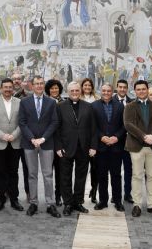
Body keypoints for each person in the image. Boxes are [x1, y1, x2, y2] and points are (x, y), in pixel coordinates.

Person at [123, 80, 152, 217]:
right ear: (134, 91)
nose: (141, 91)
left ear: (147, 90)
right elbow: (128, 124)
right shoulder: (129, 106)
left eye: (143, 89)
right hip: (136, 146)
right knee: (136, 176)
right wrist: (143, 136)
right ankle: (137, 204)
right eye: (138, 89)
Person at [19, 76, 60, 218]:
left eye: (41, 83)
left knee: (48, 174)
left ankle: (50, 204)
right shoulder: (24, 102)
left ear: (44, 86)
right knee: (32, 174)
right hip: (29, 143)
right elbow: (22, 123)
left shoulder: (51, 102)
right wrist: (32, 138)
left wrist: (43, 138)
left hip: (46, 143)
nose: (39, 86)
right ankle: (33, 203)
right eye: (36, 84)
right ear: (32, 86)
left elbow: (54, 122)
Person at [55, 81, 98, 216]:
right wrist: (58, 146)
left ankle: (78, 202)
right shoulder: (60, 106)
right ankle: (68, 203)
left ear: (80, 91)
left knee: (81, 176)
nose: (75, 93)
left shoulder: (88, 107)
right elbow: (56, 128)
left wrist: (93, 146)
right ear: (68, 92)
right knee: (65, 176)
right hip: (66, 148)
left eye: (77, 90)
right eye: (72, 91)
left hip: (83, 147)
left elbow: (93, 128)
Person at [0, 78, 24, 212]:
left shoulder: (20, 102)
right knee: (1, 172)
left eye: (10, 87)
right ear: (1, 88)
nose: (8, 89)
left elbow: (22, 122)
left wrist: (14, 134)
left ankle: (14, 199)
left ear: (13, 89)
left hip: (15, 142)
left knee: (14, 172)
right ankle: (1, 199)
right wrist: (2, 135)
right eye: (5, 87)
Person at [91, 83, 125, 212]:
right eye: (104, 91)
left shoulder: (120, 106)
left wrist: (116, 137)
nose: (106, 93)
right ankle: (103, 201)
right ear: (100, 91)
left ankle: (117, 201)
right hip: (101, 147)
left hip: (116, 146)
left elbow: (124, 125)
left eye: (108, 91)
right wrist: (102, 137)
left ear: (112, 92)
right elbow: (92, 126)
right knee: (102, 175)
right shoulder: (93, 106)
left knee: (116, 175)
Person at [113, 79, 134, 204]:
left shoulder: (132, 102)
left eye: (124, 87)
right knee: (115, 171)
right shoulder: (110, 100)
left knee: (129, 170)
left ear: (127, 88)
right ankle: (116, 195)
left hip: (129, 142)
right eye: (120, 87)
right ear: (117, 88)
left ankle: (127, 194)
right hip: (115, 141)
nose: (122, 89)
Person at [45, 79, 65, 206]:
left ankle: (58, 195)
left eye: (56, 88)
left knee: (59, 171)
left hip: (60, 142)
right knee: (47, 172)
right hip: (47, 141)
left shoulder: (64, 103)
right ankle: (49, 196)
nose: (54, 90)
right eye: (52, 88)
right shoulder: (44, 102)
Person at [12, 72, 30, 201]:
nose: (16, 81)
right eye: (14, 79)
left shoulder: (27, 96)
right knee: (10, 168)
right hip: (9, 138)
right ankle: (10, 193)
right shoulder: (5, 94)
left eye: (19, 79)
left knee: (27, 168)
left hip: (24, 139)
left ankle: (29, 193)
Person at [80, 78, 98, 204]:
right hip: (81, 138)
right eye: (85, 85)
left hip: (94, 137)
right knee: (82, 168)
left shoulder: (97, 99)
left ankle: (94, 190)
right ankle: (80, 193)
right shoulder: (78, 99)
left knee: (95, 168)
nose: (87, 87)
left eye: (89, 85)